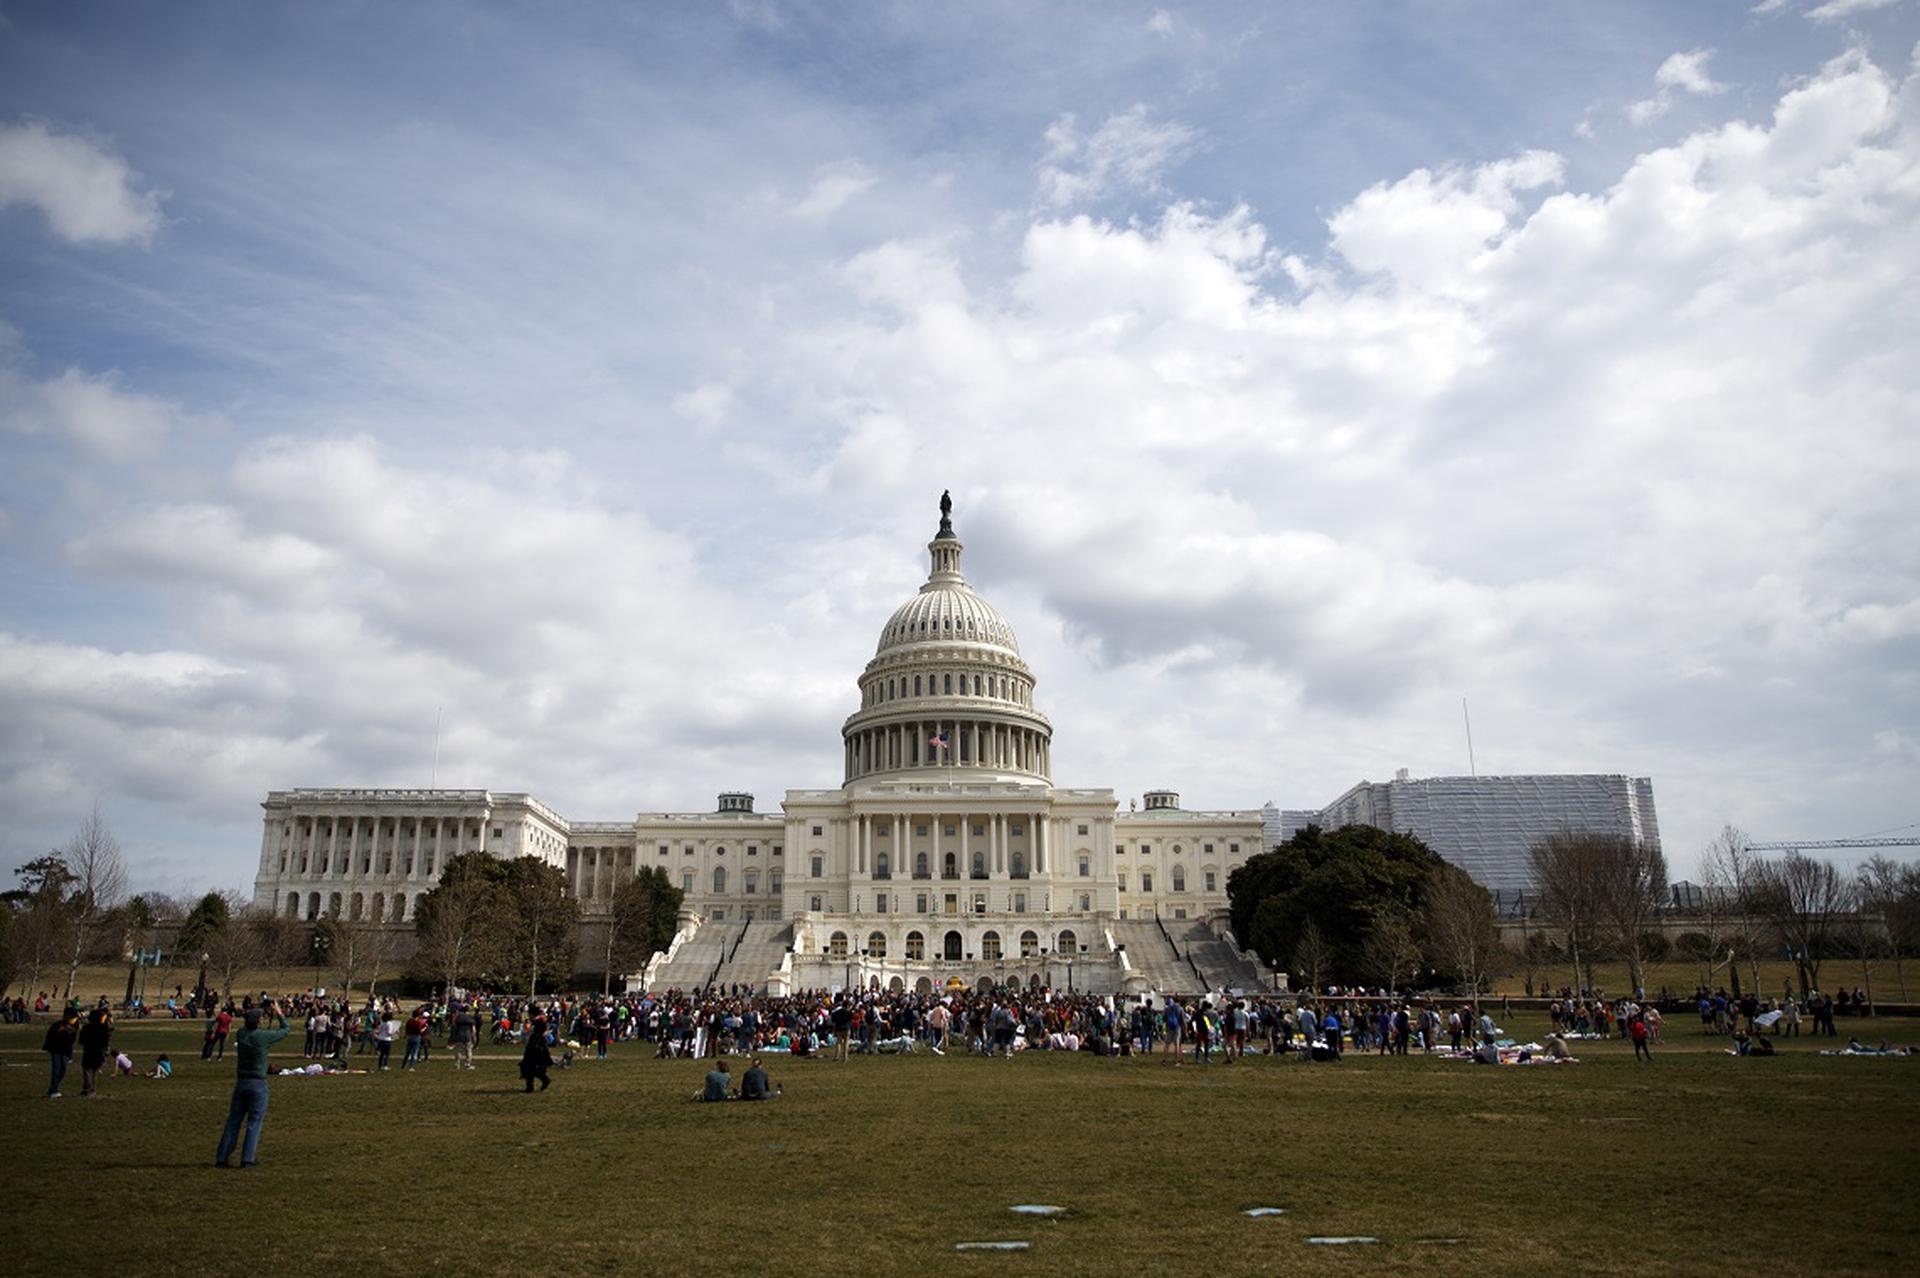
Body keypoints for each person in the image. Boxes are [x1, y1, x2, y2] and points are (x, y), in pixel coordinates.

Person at [215, 1000, 291, 1168]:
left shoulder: (241, 1034)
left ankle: (222, 1157)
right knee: (254, 1123)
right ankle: (247, 1158)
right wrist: (279, 1013)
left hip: (241, 1081)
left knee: (233, 1121)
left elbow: (249, 1028)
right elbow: (285, 1030)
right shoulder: (262, 1037)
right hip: (257, 1082)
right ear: (258, 1022)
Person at [42, 1006, 79, 1098]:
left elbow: (72, 1040)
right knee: (56, 1070)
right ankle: (53, 1090)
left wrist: (71, 1032)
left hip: (65, 1050)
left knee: (62, 1071)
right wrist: (60, 1031)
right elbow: (50, 1036)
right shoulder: (57, 1025)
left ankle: (54, 1087)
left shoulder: (73, 1026)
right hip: (56, 1050)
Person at [78, 1006, 114, 1097]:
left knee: (87, 1070)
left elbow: (81, 1041)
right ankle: (92, 1089)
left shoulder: (86, 1028)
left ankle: (87, 1089)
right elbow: (108, 1035)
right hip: (99, 1051)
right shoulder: (103, 1028)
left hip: (88, 1051)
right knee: (95, 1071)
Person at [519, 1016, 553, 1092]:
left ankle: (542, 1081)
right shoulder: (537, 1033)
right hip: (533, 1053)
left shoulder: (538, 1035)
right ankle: (532, 1085)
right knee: (529, 1069)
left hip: (536, 1053)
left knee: (533, 1069)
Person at [448, 1002, 478, 1070]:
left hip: (459, 1036)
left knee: (458, 1051)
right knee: (468, 1051)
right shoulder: (469, 1018)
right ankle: (468, 1064)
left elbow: (454, 1027)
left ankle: (457, 1064)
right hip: (467, 1036)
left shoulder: (458, 1018)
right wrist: (474, 1036)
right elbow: (473, 1028)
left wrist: (453, 1036)